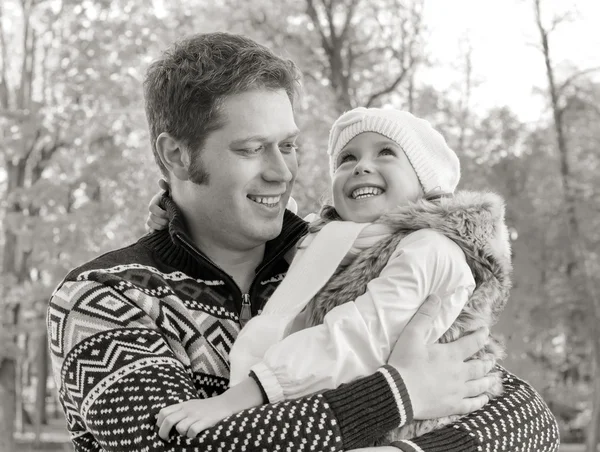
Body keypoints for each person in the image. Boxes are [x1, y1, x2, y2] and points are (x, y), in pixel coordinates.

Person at [47, 32, 560, 452]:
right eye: (252, 150)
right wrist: (397, 394)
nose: (282, 172)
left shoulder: (342, 257)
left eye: (289, 146)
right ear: (178, 156)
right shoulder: (105, 296)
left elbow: (523, 416)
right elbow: (177, 446)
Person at [148, 107, 510, 444]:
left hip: (397, 430)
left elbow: (358, 338)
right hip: (328, 419)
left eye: (386, 152)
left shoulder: (432, 250)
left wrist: (236, 400)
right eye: (347, 158)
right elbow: (259, 220)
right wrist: (181, 209)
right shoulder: (333, 239)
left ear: (426, 183)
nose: (361, 167)